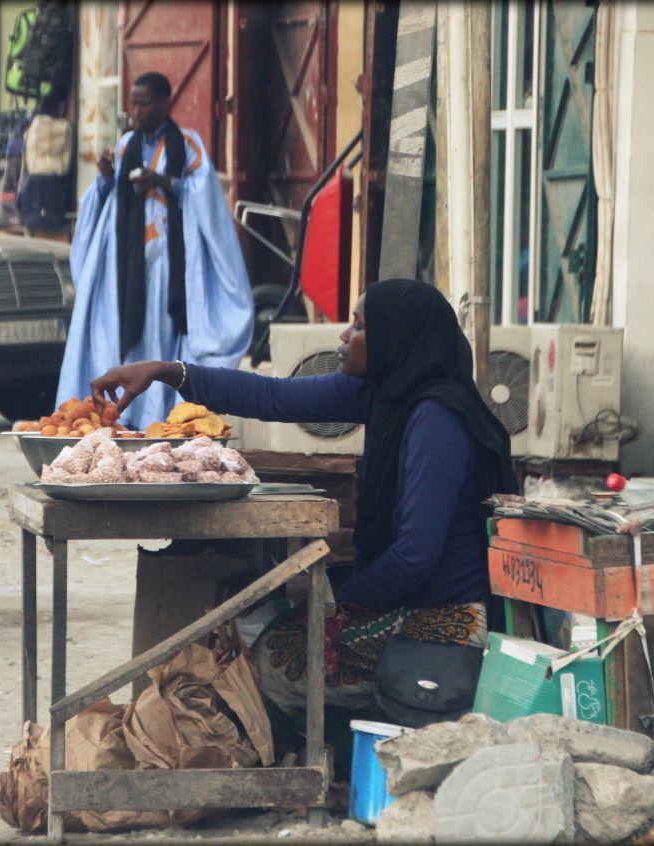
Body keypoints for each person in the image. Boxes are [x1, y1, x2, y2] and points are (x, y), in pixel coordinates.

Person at [90, 279, 518, 716]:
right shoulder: (385, 394)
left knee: (267, 666)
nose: (344, 336)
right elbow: (272, 396)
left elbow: (416, 555)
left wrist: (341, 605)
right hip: (404, 599)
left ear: (396, 339)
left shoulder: (436, 422)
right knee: (261, 637)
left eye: (359, 326)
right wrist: (166, 372)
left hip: (443, 622)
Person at [58, 71, 254, 428]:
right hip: (127, 264)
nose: (135, 110)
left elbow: (205, 197)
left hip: (167, 263)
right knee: (127, 336)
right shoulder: (124, 144)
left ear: (165, 102)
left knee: (161, 338)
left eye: (143, 102)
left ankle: (159, 416)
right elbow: (104, 201)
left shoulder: (189, 145)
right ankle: (125, 417)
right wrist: (104, 177)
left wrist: (162, 181)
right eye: (132, 102)